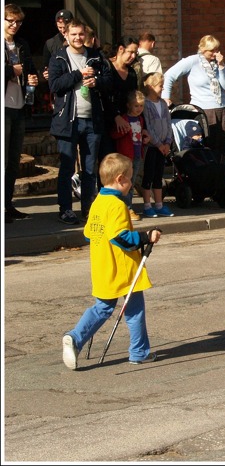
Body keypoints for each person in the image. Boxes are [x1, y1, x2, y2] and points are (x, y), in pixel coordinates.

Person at [61, 153, 162, 370]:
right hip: (122, 267)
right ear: (120, 179)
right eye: (130, 178)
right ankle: (138, 352)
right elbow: (120, 237)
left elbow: (89, 234)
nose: (131, 183)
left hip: (102, 264)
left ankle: (75, 337)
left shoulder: (98, 202)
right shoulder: (117, 206)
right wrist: (145, 237)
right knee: (135, 309)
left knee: (103, 307)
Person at [48, 18, 109, 224]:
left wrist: (96, 81)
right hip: (68, 120)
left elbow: (109, 81)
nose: (77, 38)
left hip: (92, 120)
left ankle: (88, 208)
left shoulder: (95, 56)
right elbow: (55, 85)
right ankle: (65, 209)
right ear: (66, 35)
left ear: (86, 35)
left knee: (90, 168)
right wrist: (78, 74)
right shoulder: (58, 57)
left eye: (81, 34)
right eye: (73, 34)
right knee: (66, 167)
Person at [162, 35, 225, 157]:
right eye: (211, 50)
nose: (215, 53)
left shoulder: (217, 63)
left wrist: (222, 66)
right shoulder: (192, 61)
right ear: (202, 49)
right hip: (204, 111)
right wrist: (166, 96)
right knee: (206, 149)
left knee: (221, 151)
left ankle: (220, 173)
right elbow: (169, 75)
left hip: (222, 109)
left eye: (217, 50)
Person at [4, 3, 39, 223]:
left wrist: (33, 78)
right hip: (4, 108)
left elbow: (29, 68)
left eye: (18, 22)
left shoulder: (21, 44)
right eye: (10, 20)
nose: (14, 25)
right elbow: (13, 70)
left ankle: (7, 205)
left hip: (19, 106)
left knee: (13, 160)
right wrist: (10, 70)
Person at [98, 36, 140, 179]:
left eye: (136, 53)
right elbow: (103, 95)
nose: (133, 56)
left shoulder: (132, 73)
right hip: (108, 121)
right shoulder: (107, 66)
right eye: (131, 52)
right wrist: (116, 116)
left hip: (126, 123)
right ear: (121, 49)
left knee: (125, 163)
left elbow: (134, 97)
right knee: (108, 161)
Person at [109, 90, 150, 221]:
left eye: (141, 106)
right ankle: (123, 207)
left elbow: (139, 135)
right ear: (129, 105)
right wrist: (124, 132)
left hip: (137, 154)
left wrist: (144, 138)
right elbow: (114, 134)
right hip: (125, 155)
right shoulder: (124, 119)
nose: (139, 109)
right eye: (136, 106)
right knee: (123, 182)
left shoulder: (140, 119)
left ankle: (128, 206)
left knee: (131, 183)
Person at [141, 72, 174, 218]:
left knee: (158, 175)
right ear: (151, 87)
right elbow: (148, 126)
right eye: (160, 86)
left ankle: (159, 204)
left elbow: (168, 123)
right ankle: (147, 205)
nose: (162, 88)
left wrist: (167, 142)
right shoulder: (146, 104)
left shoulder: (162, 104)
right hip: (152, 147)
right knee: (148, 174)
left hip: (163, 147)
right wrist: (158, 143)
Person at [42, 9, 73, 78]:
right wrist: (46, 73)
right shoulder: (50, 43)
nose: (63, 30)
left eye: (65, 27)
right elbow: (45, 65)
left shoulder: (79, 39)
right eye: (60, 27)